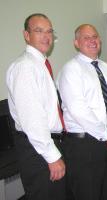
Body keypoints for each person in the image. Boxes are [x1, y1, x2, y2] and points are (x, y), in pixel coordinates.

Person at [57, 24, 107, 200]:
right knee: (88, 194)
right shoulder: (70, 70)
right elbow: (78, 110)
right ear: (76, 43)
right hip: (84, 147)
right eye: (86, 37)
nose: (92, 40)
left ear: (100, 40)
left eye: (94, 36)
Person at [6, 13, 66, 200]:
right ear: (26, 35)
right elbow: (32, 119)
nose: (46, 36)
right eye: (39, 31)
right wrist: (53, 157)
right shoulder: (25, 67)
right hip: (38, 149)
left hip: (46, 145)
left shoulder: (40, 64)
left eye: (49, 31)